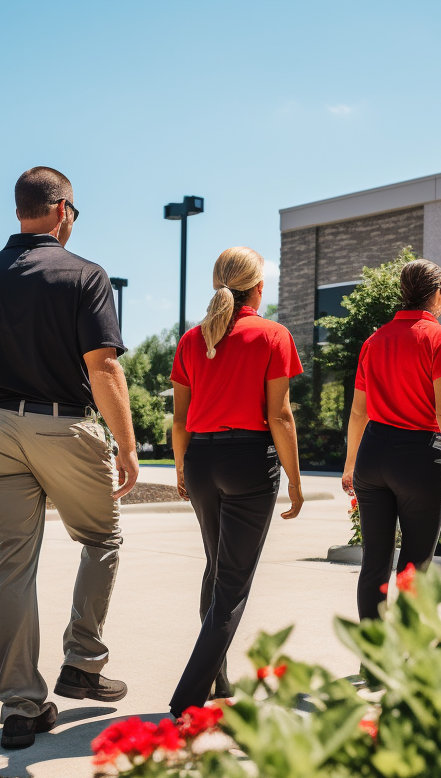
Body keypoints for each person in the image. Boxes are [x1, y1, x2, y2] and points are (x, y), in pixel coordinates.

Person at [0, 166, 140, 750]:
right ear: (62, 210)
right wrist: (126, 445)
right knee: (101, 540)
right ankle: (82, 661)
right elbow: (103, 366)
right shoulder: (84, 275)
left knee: (12, 566)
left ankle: (21, 708)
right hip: (62, 425)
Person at [166, 247, 304, 717]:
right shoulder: (273, 335)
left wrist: (183, 468)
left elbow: (180, 421)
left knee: (216, 565)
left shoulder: (191, 340)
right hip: (249, 461)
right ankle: (189, 694)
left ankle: (219, 678)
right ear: (259, 287)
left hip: (202, 459)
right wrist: (295, 479)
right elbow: (280, 416)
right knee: (232, 583)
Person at [342, 259, 441, 621]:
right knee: (415, 566)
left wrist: (350, 464)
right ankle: (409, 658)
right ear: (438, 294)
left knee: (374, 562)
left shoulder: (374, 340)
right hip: (417, 457)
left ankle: (372, 659)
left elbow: (358, 412)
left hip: (372, 454)